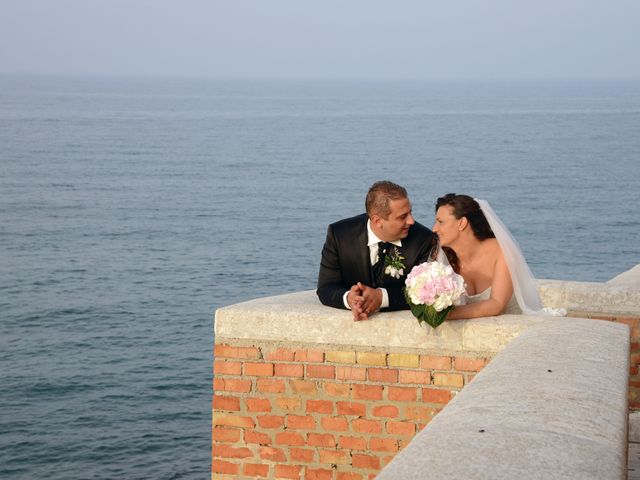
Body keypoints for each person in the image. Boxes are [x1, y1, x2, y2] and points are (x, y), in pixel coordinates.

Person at [317, 181, 436, 321]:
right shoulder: (340, 235)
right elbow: (326, 286)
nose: (411, 221)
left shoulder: (424, 240)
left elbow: (428, 290)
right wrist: (350, 298)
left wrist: (382, 297)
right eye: (403, 217)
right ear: (377, 221)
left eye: (410, 212)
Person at [433, 193, 564, 319]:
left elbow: (497, 304)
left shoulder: (503, 253)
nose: (434, 229)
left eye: (441, 222)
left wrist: (447, 315)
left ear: (462, 223)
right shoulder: (442, 257)